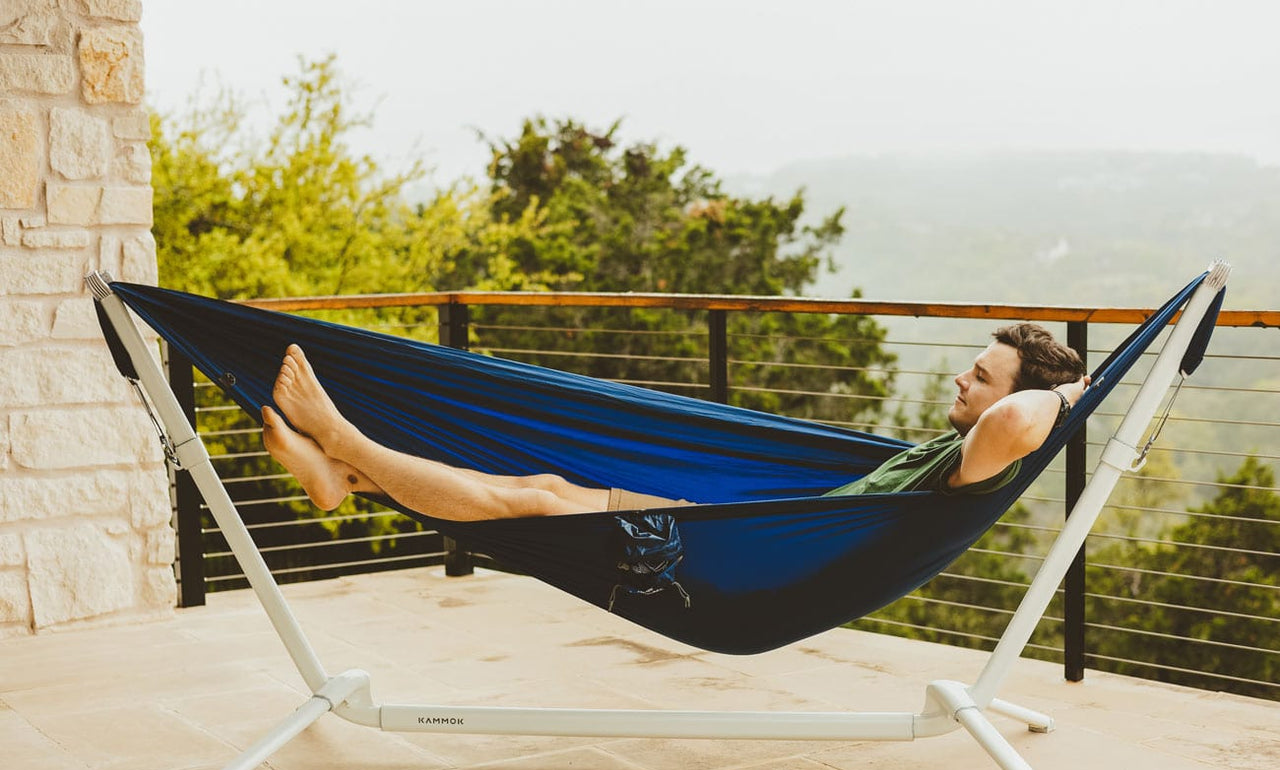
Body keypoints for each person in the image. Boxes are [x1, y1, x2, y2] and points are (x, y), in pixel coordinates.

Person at [261, 323, 1087, 521]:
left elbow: (1020, 419)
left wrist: (1070, 393)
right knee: (547, 482)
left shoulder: (981, 454)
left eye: (978, 376)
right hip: (749, 526)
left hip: (750, 550)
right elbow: (1015, 407)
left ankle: (346, 442)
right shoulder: (953, 443)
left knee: (539, 508)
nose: (961, 377)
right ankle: (350, 478)